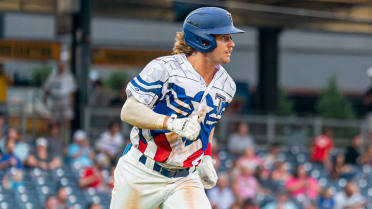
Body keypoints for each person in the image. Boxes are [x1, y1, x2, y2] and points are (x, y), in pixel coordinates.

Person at [109, 7, 244, 209]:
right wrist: (171, 123)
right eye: (225, 37)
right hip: (141, 172)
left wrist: (206, 156)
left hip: (185, 177)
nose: (232, 44)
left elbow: (208, 122)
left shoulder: (227, 85)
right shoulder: (164, 68)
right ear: (203, 39)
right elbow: (129, 111)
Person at [43, 55, 77, 140]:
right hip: (54, 102)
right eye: (59, 65)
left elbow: (72, 92)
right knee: (55, 122)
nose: (61, 66)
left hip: (65, 102)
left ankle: (66, 139)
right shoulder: (52, 76)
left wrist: (71, 104)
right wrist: (45, 99)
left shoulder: (69, 77)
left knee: (66, 121)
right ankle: (55, 138)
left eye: (62, 65)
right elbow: (47, 89)